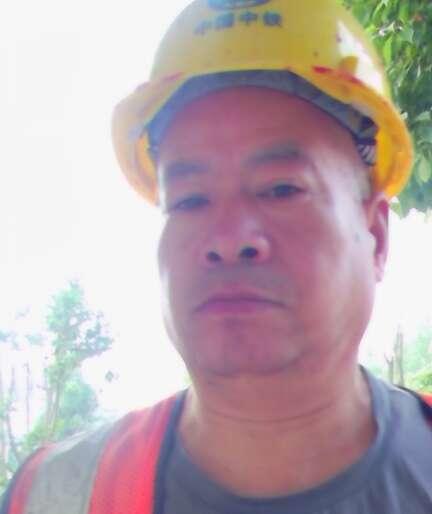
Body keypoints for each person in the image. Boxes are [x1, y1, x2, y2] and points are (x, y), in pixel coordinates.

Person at [2, 0, 432, 513]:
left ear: (376, 235)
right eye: (189, 200)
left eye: (280, 189)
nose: (227, 238)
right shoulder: (52, 496)